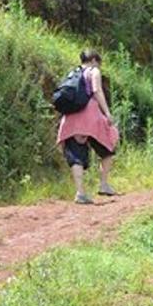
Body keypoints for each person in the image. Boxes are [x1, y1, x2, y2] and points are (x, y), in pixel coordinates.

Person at [56, 49, 119, 204]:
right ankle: (103, 184)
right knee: (108, 144)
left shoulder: (73, 73)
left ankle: (80, 193)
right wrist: (107, 113)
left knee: (76, 154)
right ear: (94, 60)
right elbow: (96, 91)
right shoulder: (94, 71)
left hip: (70, 118)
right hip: (90, 116)